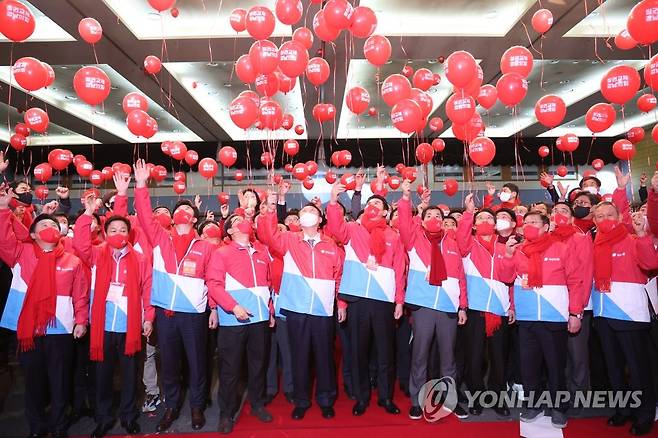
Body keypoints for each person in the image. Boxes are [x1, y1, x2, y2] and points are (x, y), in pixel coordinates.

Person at [132, 160, 216, 432]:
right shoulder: (160, 237)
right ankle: (171, 406)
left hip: (193, 314)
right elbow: (145, 215)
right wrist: (141, 185)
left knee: (197, 362)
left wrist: (214, 308)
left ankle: (196, 406)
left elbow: (213, 279)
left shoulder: (205, 246)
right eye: (178, 209)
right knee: (168, 364)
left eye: (187, 210)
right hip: (166, 314)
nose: (181, 212)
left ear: (194, 219)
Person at [0, 185, 88, 438]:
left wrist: (81, 320)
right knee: (34, 382)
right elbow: (4, 239)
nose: (49, 228)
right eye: (43, 225)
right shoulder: (22, 253)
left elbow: (80, 294)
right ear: (32, 234)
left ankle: (59, 426)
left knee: (60, 381)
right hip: (31, 330)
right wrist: (3, 208)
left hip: (61, 330)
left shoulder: (72, 260)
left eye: (53, 225)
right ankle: (37, 427)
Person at [74, 193, 154, 438]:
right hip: (103, 325)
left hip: (129, 325)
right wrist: (88, 213)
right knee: (102, 376)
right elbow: (80, 245)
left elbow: (147, 289)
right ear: (105, 233)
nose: (118, 233)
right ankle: (104, 418)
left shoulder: (140, 258)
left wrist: (148, 317)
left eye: (123, 230)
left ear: (129, 234)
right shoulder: (97, 253)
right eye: (113, 230)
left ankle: (129, 416)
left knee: (130, 376)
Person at [257, 196, 344, 421]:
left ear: (320, 219)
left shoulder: (331, 245)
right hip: (296, 308)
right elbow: (267, 236)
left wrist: (341, 304)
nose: (307, 214)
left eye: (312, 211)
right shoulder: (289, 240)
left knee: (324, 356)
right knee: (299, 356)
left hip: (323, 309)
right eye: (304, 211)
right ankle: (301, 400)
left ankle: (326, 400)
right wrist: (271, 208)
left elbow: (339, 276)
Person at [326, 182, 406, 416]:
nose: (374, 205)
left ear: (385, 212)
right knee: (358, 352)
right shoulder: (353, 229)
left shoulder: (394, 236)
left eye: (378, 203)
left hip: (383, 301)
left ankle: (385, 397)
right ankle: (361, 398)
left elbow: (399, 270)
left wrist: (399, 301)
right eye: (370, 202)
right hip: (358, 300)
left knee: (385, 353)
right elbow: (335, 227)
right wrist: (333, 201)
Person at [502, 211, 582, 429]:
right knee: (529, 366)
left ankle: (559, 407)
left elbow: (576, 281)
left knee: (555, 365)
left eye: (534, 222)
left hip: (553, 316)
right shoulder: (518, 250)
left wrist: (575, 313)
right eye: (526, 222)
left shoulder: (561, 248)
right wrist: (507, 255)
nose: (529, 225)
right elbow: (506, 277)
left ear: (546, 226)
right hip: (527, 318)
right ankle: (533, 404)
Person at [397, 180, 469, 420]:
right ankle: (417, 399)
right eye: (429, 215)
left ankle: (450, 399)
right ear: (422, 219)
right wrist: (406, 197)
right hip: (423, 306)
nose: (434, 218)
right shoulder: (414, 240)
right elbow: (404, 223)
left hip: (448, 306)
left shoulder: (453, 243)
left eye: (438, 215)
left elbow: (461, 277)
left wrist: (462, 306)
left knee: (449, 357)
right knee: (420, 355)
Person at [590, 201, 658, 435]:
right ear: (594, 221)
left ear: (620, 217)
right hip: (603, 313)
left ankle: (645, 412)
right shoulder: (594, 244)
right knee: (614, 367)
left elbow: (651, 263)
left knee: (638, 367)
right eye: (600, 216)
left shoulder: (633, 240)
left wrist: (643, 236)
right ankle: (623, 408)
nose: (605, 219)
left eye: (610, 214)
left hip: (629, 314)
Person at [206, 213, 274, 434]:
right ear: (229, 231)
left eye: (243, 220)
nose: (242, 222)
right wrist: (233, 307)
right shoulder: (221, 253)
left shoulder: (261, 253)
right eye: (236, 222)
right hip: (233, 320)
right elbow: (214, 284)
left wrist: (270, 311)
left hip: (260, 319)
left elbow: (268, 285)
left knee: (258, 364)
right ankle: (226, 413)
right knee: (230, 369)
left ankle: (257, 404)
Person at [456, 194, 516, 418]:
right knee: (474, 358)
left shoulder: (505, 246)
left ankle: (497, 397)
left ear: (496, 224)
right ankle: (476, 397)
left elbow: (510, 278)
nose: (485, 221)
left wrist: (511, 306)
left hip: (499, 310)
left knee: (499, 358)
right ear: (473, 225)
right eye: (480, 218)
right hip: (475, 309)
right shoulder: (468, 245)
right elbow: (461, 237)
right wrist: (468, 212)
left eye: (489, 218)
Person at [549, 201, 594, 405]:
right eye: (555, 210)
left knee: (577, 354)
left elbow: (585, 273)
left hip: (577, 303)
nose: (559, 214)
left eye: (564, 211)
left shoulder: (580, 238)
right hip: (553, 304)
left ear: (572, 217)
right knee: (558, 352)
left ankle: (579, 396)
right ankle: (562, 394)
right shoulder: (546, 238)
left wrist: (577, 309)